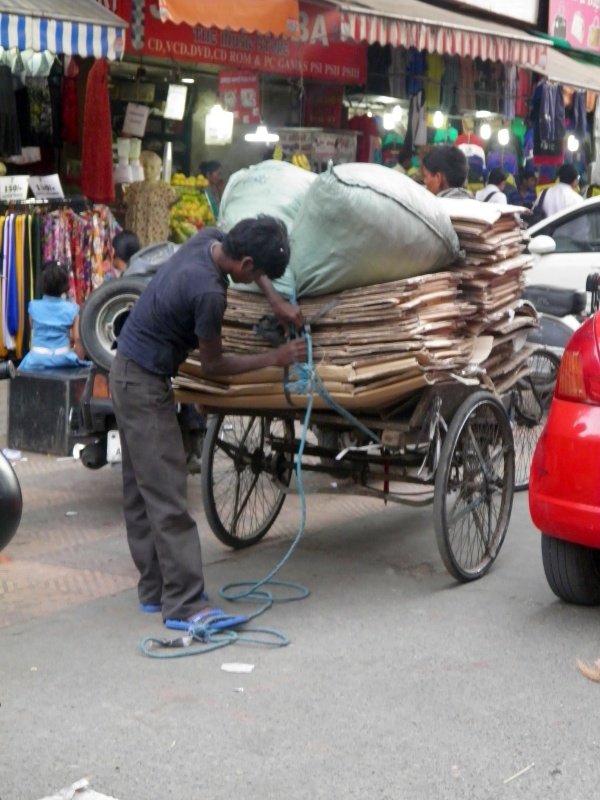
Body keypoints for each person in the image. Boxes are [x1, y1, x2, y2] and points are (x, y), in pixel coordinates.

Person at [108, 215, 306, 625]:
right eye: (261, 274)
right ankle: (185, 604)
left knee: (140, 489)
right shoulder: (209, 293)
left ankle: (155, 590)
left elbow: (254, 271)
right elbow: (213, 365)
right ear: (246, 264)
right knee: (166, 494)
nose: (260, 280)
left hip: (125, 370)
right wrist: (276, 358)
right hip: (143, 384)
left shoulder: (210, 240)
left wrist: (276, 303)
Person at [18, 261, 90, 372]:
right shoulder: (72, 309)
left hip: (36, 359)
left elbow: (34, 328)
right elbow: (78, 339)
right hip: (63, 359)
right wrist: (78, 361)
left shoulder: (33, 306)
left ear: (42, 283)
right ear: (65, 285)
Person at [124, 150, 178, 247]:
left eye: (152, 168)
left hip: (156, 237)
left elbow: (174, 203)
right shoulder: (134, 188)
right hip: (136, 236)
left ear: (159, 169)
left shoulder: (166, 189)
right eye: (145, 166)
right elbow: (126, 202)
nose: (148, 170)